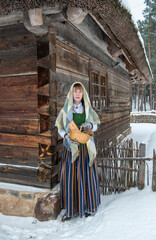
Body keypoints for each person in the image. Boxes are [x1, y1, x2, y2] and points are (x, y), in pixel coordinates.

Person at [55, 82, 100, 221]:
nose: (78, 94)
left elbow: (96, 125)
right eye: (75, 91)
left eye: (80, 91)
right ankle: (71, 208)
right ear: (71, 93)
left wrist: (91, 125)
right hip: (71, 148)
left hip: (86, 148)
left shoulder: (88, 109)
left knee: (86, 176)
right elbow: (60, 128)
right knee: (71, 177)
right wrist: (66, 136)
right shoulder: (66, 110)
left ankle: (88, 206)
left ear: (83, 94)